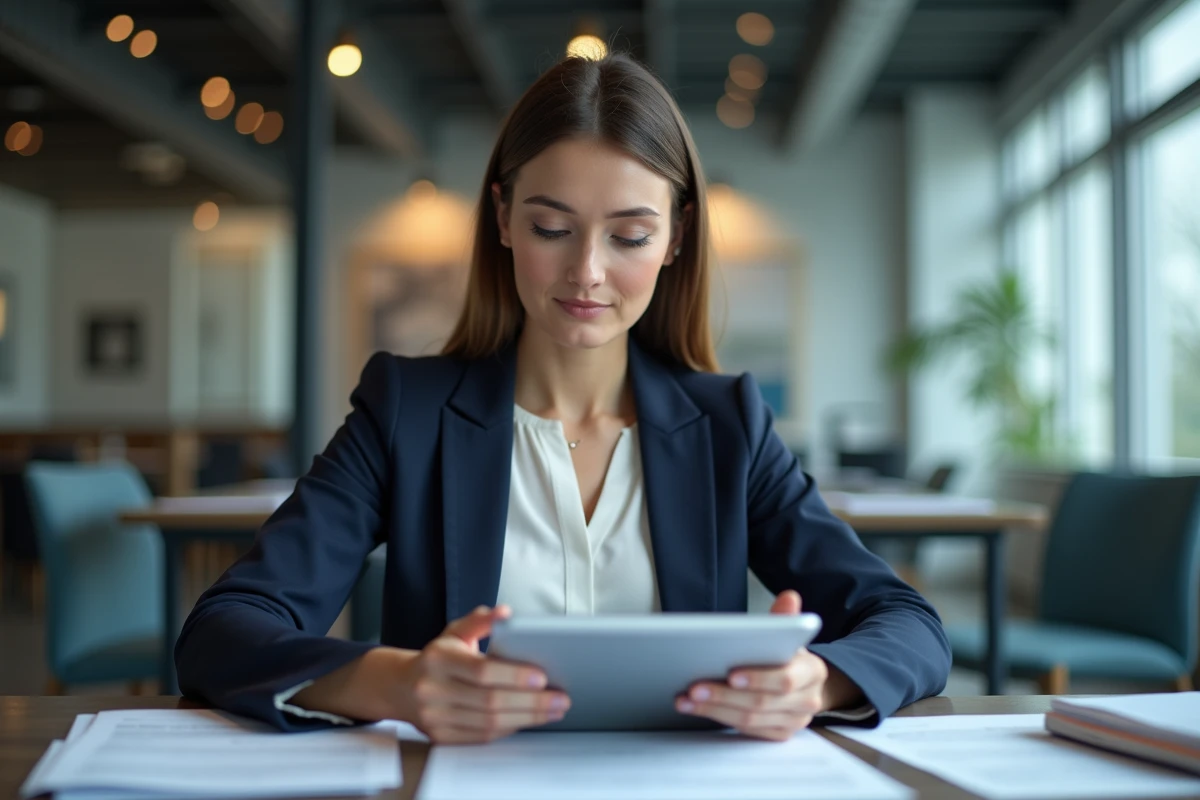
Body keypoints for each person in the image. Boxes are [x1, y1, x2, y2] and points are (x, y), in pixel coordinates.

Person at [175, 52, 950, 744]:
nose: (586, 272)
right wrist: (398, 685)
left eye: (629, 236)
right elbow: (224, 631)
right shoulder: (405, 412)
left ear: (676, 239)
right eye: (552, 227)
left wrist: (815, 681)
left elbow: (909, 627)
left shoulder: (728, 426)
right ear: (504, 215)